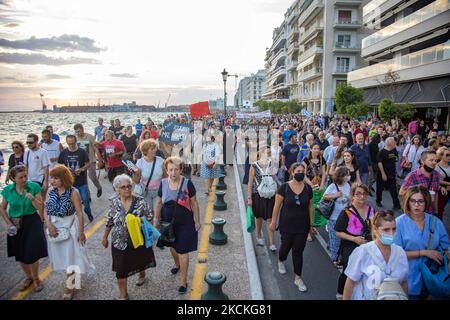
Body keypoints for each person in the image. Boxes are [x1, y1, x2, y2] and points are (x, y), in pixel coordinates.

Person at [44, 165, 94, 300]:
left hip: (70, 227)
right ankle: (73, 281)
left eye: (56, 178)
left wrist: (81, 232)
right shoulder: (50, 190)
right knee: (62, 257)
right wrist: (48, 224)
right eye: (52, 178)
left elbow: (79, 213)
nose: (52, 181)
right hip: (54, 228)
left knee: (72, 257)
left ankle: (71, 286)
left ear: (64, 178)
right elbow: (45, 209)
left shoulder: (73, 192)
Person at [102, 174, 156, 300]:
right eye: (123, 187)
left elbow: (149, 217)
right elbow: (110, 220)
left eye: (129, 186)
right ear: (117, 189)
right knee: (120, 270)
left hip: (137, 239)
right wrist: (105, 237)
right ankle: (123, 295)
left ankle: (141, 274)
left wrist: (139, 223)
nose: (127, 189)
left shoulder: (140, 201)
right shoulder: (114, 203)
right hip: (119, 241)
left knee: (140, 261)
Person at [154, 157, 201, 294]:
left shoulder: (188, 183)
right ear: (166, 170)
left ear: (180, 170)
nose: (173, 173)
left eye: (176, 169)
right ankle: (177, 264)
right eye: (170, 170)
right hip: (168, 222)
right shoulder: (162, 183)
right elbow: (159, 203)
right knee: (173, 247)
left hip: (186, 222)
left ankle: (183, 281)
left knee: (182, 250)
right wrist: (156, 220)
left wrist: (197, 221)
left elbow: (194, 203)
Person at [394, 186, 450, 300]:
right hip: (408, 279)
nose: (416, 205)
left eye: (420, 201)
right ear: (407, 202)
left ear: (426, 202)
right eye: (413, 201)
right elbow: (395, 254)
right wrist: (424, 252)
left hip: (433, 279)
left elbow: (447, 247)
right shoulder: (399, 223)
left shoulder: (435, 222)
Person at [0, 165, 47, 293]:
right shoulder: (8, 190)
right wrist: (8, 223)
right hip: (15, 223)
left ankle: (36, 278)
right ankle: (29, 277)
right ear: (13, 178)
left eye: (26, 176)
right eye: (21, 177)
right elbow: (2, 208)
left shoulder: (33, 187)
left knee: (32, 253)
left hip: (31, 221)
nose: (24, 179)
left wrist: (32, 199)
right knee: (20, 253)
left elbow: (40, 207)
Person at [343, 211, 409, 300]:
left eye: (394, 229)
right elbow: (350, 282)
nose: (391, 233)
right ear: (375, 229)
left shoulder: (400, 252)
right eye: (386, 230)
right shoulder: (362, 252)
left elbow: (403, 282)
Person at [269, 162, 313, 292]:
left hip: (302, 226)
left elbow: (311, 206)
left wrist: (311, 224)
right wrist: (273, 222)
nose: (300, 173)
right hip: (287, 225)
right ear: (292, 172)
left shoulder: (308, 189)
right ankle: (281, 260)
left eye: (302, 171)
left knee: (298, 251)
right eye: (297, 171)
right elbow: (276, 206)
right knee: (285, 246)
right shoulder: (284, 188)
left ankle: (298, 278)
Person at [335, 183, 375, 299]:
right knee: (348, 271)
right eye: (358, 194)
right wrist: (355, 239)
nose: (362, 197)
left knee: (365, 270)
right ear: (352, 195)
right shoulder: (346, 212)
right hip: (351, 245)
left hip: (367, 245)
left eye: (364, 194)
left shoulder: (371, 210)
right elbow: (338, 232)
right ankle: (341, 292)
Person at [58, 135, 94, 222]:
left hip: (81, 181)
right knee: (71, 201)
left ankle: (88, 212)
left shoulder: (82, 152)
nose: (71, 145)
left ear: (76, 142)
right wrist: (67, 169)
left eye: (73, 143)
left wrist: (82, 169)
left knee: (85, 200)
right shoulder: (63, 153)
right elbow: (60, 164)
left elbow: (88, 163)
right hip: (69, 182)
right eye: (69, 143)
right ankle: (77, 214)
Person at [247, 148, 277, 251]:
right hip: (257, 194)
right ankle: (259, 235)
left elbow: (274, 180)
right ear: (261, 153)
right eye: (267, 152)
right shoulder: (254, 166)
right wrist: (249, 198)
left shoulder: (271, 164)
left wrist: (276, 193)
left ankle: (271, 243)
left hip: (270, 195)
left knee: (270, 218)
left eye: (270, 153)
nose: (269, 154)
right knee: (259, 217)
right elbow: (250, 183)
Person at [323, 166, 351, 266]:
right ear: (341, 176)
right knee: (336, 239)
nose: (349, 176)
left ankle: (330, 244)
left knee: (337, 238)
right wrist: (335, 195)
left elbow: (349, 198)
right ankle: (335, 259)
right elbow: (324, 197)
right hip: (334, 217)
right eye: (347, 174)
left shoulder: (348, 185)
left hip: (344, 217)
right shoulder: (332, 186)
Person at [132, 139, 165, 212]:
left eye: (155, 148)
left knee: (157, 212)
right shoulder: (140, 162)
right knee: (148, 213)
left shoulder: (161, 160)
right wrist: (137, 173)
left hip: (158, 192)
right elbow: (136, 181)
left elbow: (165, 177)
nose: (155, 150)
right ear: (145, 150)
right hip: (145, 192)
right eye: (152, 149)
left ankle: (156, 223)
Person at [74, 123, 103, 198]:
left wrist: (100, 160)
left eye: (79, 131)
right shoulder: (75, 138)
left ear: (83, 129)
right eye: (77, 132)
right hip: (81, 162)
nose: (78, 133)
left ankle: (99, 187)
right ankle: (88, 196)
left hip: (91, 160)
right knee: (84, 180)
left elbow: (96, 149)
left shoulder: (90, 136)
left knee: (92, 177)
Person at [376, 137, 401, 211]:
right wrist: (383, 174)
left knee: (393, 190)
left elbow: (396, 159)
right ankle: (378, 200)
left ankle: (397, 205)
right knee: (379, 188)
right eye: (394, 142)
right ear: (390, 144)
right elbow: (379, 163)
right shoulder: (382, 152)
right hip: (382, 174)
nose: (395, 144)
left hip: (392, 174)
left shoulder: (394, 150)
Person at [436, 147, 450, 220]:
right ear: (441, 155)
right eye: (447, 155)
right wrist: (448, 183)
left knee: (443, 207)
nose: (449, 157)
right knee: (439, 210)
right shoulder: (437, 166)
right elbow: (435, 180)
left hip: (448, 191)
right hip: (439, 191)